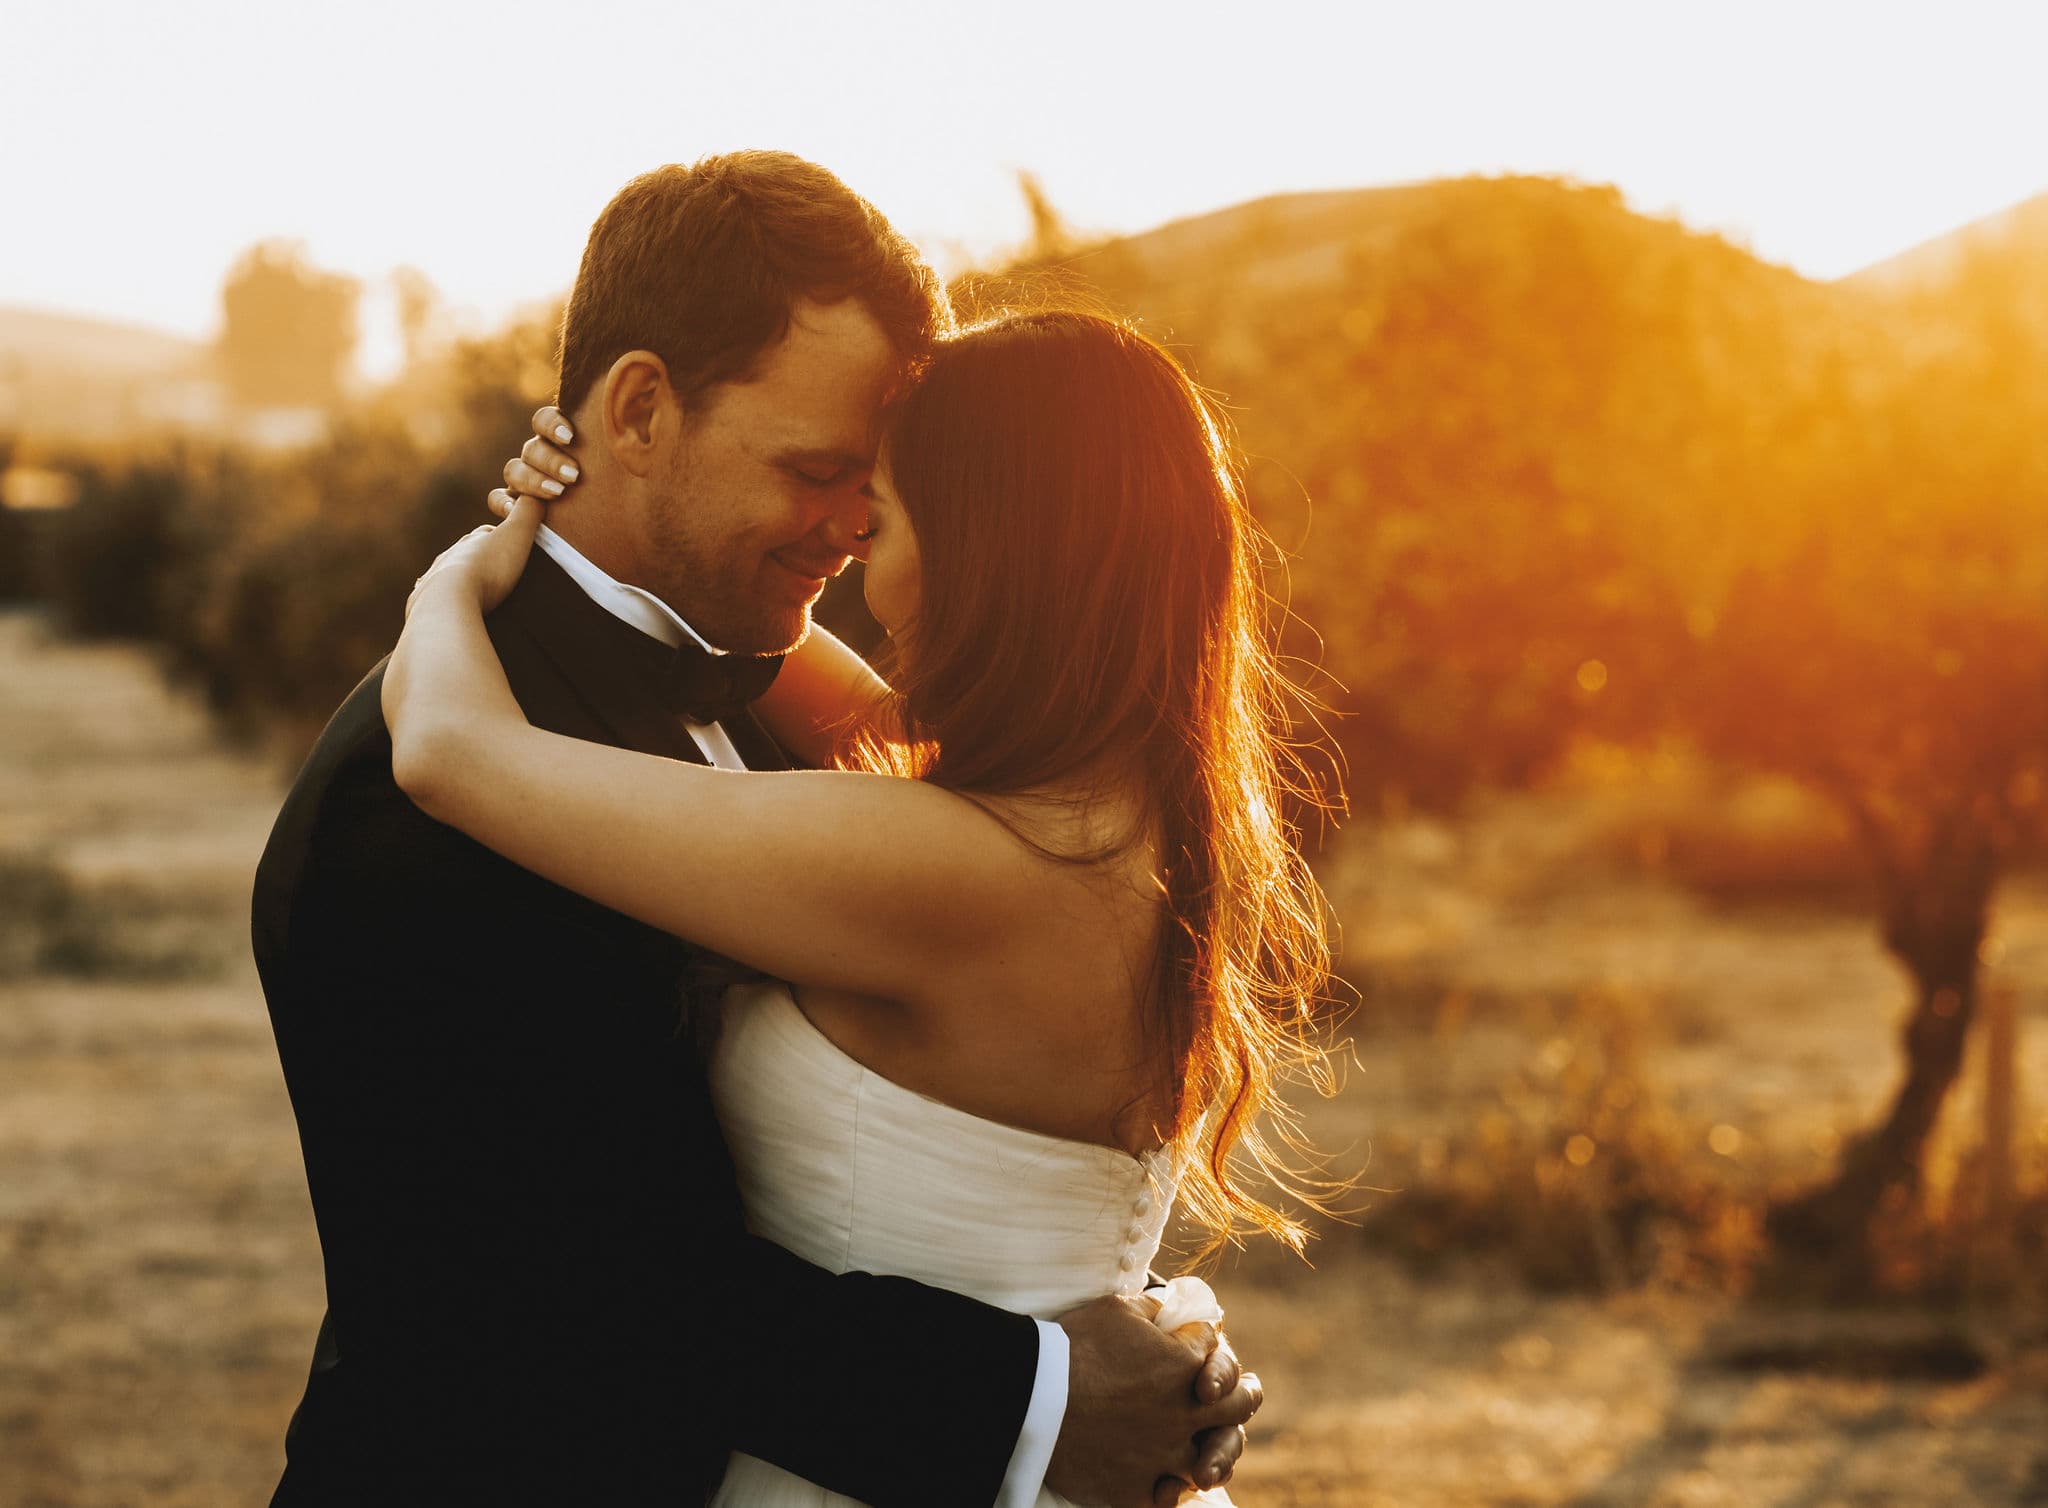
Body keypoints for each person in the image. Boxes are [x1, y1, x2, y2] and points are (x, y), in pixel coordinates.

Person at [254, 154, 1266, 1508]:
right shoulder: (405, 805)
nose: (851, 532)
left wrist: (1059, 1297)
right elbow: (528, 1293)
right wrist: (1037, 1393)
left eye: (883, 492)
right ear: (640, 409)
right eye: (817, 469)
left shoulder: (821, 726)